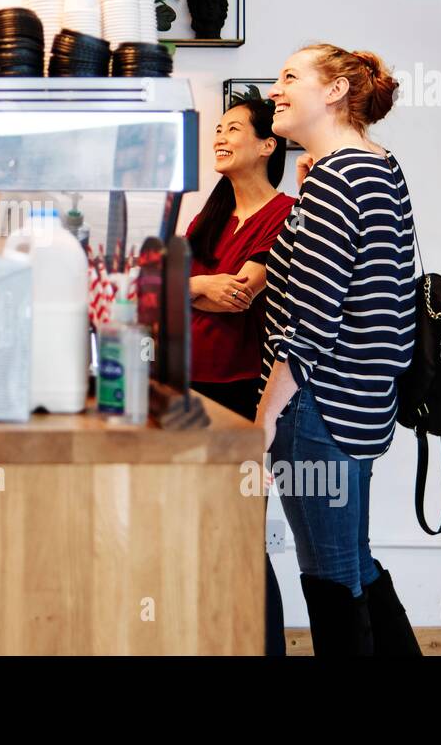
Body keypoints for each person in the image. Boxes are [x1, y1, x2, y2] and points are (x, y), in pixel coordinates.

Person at [258, 43, 422, 656]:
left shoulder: (335, 179)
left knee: (330, 578)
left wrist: (265, 416)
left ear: (333, 92)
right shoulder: (379, 165)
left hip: (316, 405)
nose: (275, 90)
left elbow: (310, 323)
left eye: (289, 77)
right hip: (363, 404)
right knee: (352, 562)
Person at [186, 95, 294, 656]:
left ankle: (264, 648)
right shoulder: (210, 218)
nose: (220, 138)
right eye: (217, 130)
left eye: (233, 129)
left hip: (237, 390)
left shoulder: (285, 213)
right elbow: (157, 289)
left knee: (242, 533)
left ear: (267, 144)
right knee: (196, 530)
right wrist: (201, 286)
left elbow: (240, 295)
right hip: (185, 389)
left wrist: (195, 289)